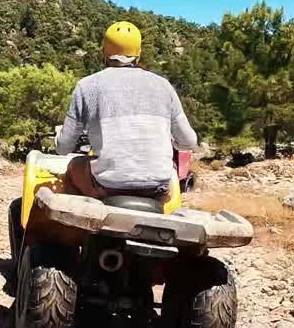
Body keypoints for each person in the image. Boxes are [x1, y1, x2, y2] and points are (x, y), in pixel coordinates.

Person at [56, 21, 198, 199]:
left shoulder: (87, 86)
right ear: (138, 54)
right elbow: (189, 141)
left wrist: (59, 136)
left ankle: (74, 224)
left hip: (107, 187)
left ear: (104, 53)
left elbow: (63, 147)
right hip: (157, 189)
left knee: (74, 166)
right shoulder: (163, 86)